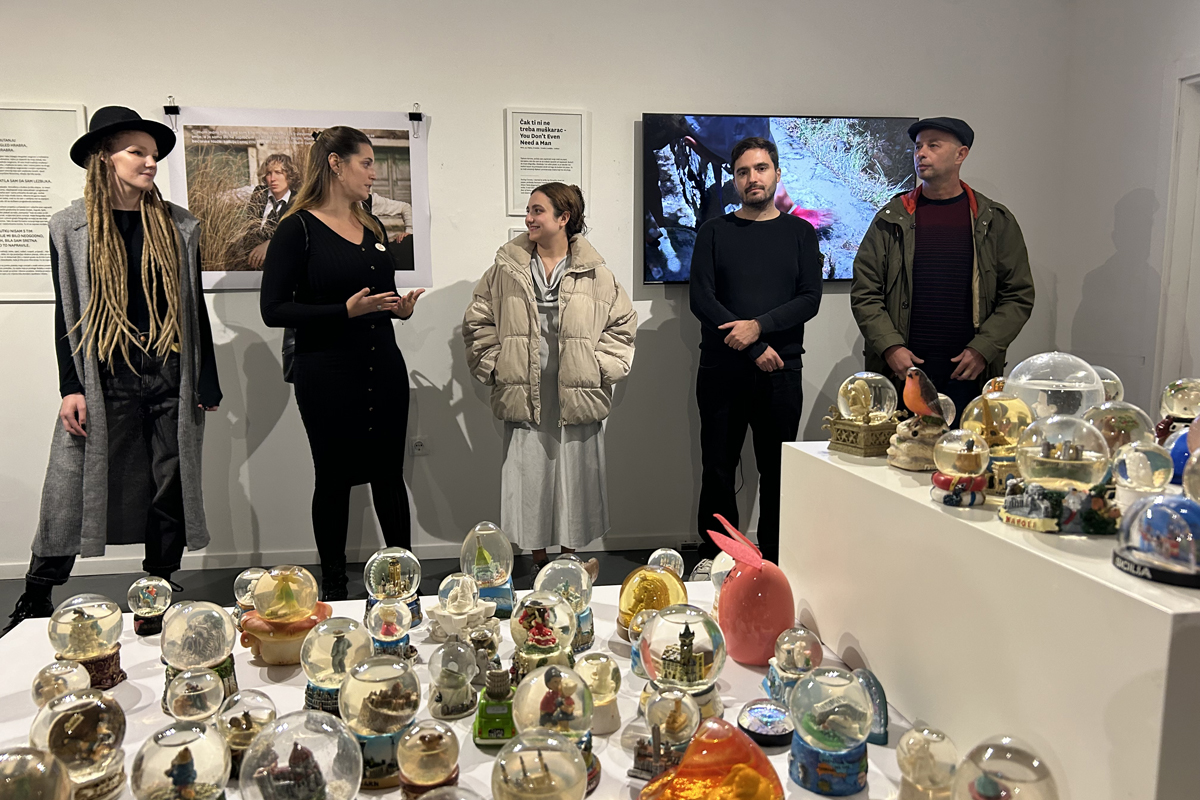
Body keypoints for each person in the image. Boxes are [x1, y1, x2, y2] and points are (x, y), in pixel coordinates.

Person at [4, 106, 222, 633]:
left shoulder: (179, 225)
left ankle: (156, 591)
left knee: (169, 482)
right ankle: (37, 593)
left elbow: (192, 307)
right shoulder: (70, 227)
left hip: (169, 369)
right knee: (71, 483)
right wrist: (71, 386)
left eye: (153, 154)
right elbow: (66, 311)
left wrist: (206, 380)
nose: (150, 162)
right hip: (106, 372)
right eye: (136, 152)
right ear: (104, 157)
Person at [260, 126, 423, 600]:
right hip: (326, 372)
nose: (373, 173)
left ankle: (402, 583)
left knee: (389, 475)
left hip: (383, 367)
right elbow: (273, 309)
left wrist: (399, 309)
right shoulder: (297, 228)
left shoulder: (371, 225)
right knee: (333, 479)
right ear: (336, 164)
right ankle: (334, 587)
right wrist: (342, 312)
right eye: (366, 163)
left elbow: (378, 296)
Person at [463, 183, 636, 584]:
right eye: (528, 210)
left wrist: (596, 368)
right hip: (525, 393)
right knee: (530, 479)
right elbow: (477, 322)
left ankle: (570, 563)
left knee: (576, 479)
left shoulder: (597, 274)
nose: (529, 218)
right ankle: (539, 563)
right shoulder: (505, 270)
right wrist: (497, 365)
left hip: (576, 394)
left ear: (564, 218)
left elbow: (622, 327)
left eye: (537, 210)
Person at [689, 136, 823, 566]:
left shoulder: (800, 234)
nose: (753, 178)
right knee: (717, 469)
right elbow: (702, 300)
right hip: (721, 371)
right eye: (743, 171)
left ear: (777, 174)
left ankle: (775, 562)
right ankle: (718, 558)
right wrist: (753, 346)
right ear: (734, 179)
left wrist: (758, 328)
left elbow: (809, 299)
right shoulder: (713, 232)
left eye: (761, 168)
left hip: (781, 371)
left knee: (778, 472)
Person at [850, 117, 1035, 418]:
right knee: (898, 448)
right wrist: (890, 346)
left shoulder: (994, 220)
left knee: (966, 448)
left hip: (969, 375)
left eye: (933, 146)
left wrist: (984, 348)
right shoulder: (891, 218)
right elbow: (865, 291)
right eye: (918, 146)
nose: (921, 153)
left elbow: (1018, 295)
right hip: (902, 375)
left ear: (961, 154)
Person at [237, 153, 301, 269]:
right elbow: (249, 231)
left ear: (289, 176)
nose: (272, 179)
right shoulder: (259, 194)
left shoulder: (297, 201)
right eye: (268, 173)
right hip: (253, 263)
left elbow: (296, 238)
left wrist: (271, 244)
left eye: (278, 172)